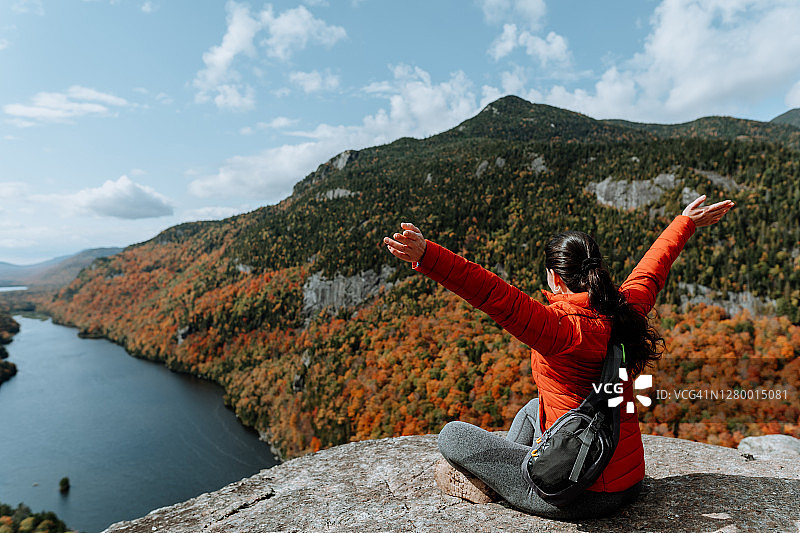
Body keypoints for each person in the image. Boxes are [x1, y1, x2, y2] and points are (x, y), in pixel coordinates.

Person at [383, 195, 734, 519]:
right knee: (530, 410)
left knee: (451, 436)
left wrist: (427, 255)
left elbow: (491, 293)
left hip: (576, 492)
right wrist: (684, 222)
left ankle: (501, 483)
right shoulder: (626, 308)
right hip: (627, 480)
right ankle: (506, 475)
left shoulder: (561, 329)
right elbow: (651, 270)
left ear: (554, 278)